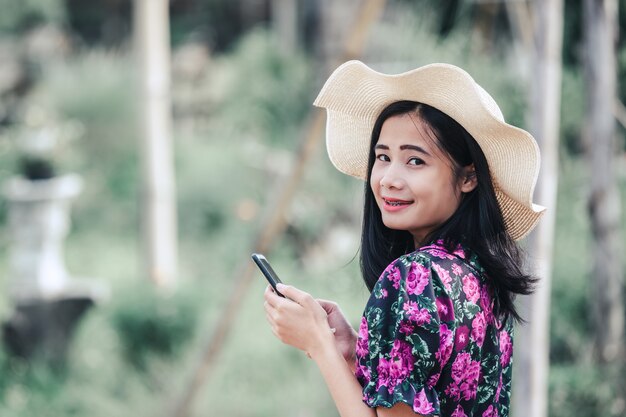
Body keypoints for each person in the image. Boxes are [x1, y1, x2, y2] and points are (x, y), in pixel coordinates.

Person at [263, 60, 545, 417]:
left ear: (468, 177)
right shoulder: (479, 275)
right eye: (383, 157)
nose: (389, 179)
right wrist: (352, 353)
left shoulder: (414, 276)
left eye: (415, 161)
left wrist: (319, 343)